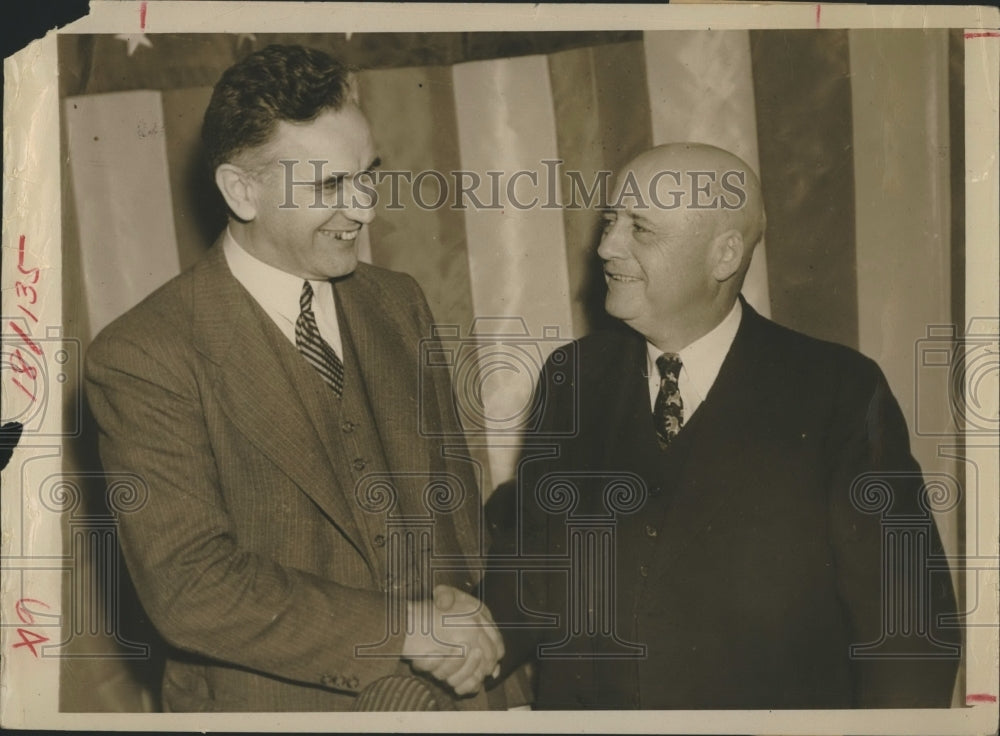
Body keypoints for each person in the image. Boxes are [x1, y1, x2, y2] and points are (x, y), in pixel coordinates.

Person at [85, 45, 503, 712]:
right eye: (329, 187)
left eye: (368, 176)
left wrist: (473, 640)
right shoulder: (143, 354)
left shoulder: (399, 302)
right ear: (240, 190)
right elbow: (190, 588)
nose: (364, 210)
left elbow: (453, 508)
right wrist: (407, 629)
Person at [483, 142, 961, 709]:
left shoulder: (838, 392)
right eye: (611, 220)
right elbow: (532, 580)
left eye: (640, 229)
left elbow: (909, 636)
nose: (606, 246)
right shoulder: (573, 377)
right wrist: (471, 635)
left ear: (724, 255)